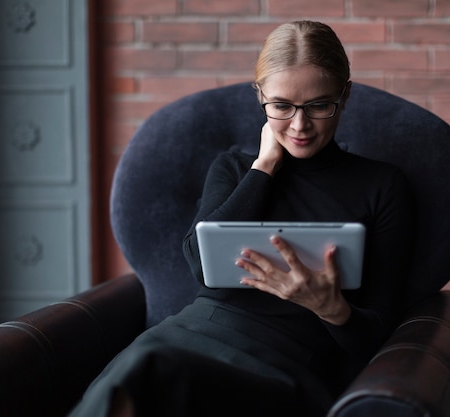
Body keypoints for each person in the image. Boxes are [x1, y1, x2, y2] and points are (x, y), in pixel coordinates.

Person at [68, 20, 413, 417]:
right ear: (261, 97)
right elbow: (200, 262)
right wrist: (264, 166)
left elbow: (380, 330)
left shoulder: (383, 185)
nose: (299, 125)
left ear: (344, 94)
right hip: (193, 331)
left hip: (289, 357)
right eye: (281, 106)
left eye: (319, 105)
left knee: (151, 371)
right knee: (139, 368)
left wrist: (331, 308)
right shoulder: (235, 168)